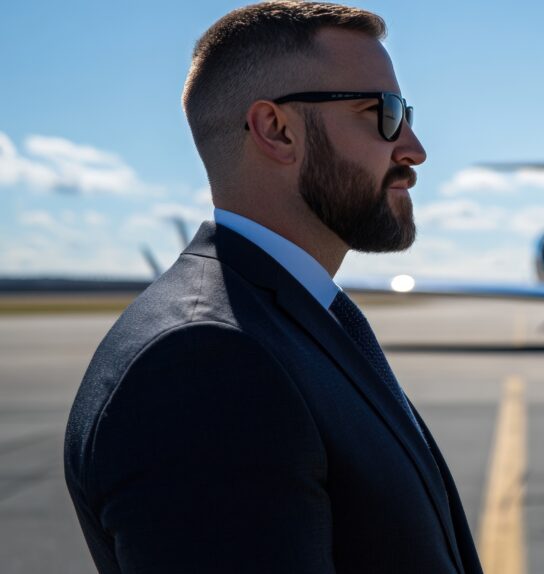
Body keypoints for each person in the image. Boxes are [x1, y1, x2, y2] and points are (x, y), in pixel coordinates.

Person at [63, 2, 483, 573]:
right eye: (382, 113)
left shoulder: (288, 321)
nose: (414, 148)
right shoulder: (204, 367)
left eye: (405, 113)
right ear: (277, 130)